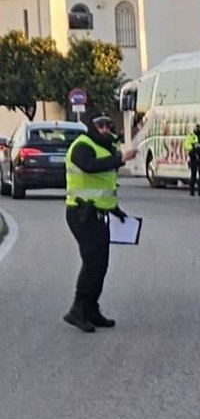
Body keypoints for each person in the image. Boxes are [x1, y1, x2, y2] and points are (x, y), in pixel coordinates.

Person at [63, 114, 139, 332]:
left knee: (101, 265)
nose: (105, 129)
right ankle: (77, 310)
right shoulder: (82, 145)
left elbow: (103, 184)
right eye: (101, 126)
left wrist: (115, 210)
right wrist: (120, 159)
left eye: (108, 125)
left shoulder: (105, 147)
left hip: (98, 213)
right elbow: (90, 167)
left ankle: (91, 309)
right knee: (92, 263)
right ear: (93, 128)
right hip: (81, 213)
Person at [183, 123, 200, 196]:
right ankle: (192, 190)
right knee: (193, 174)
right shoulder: (191, 136)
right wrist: (193, 149)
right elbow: (187, 145)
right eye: (198, 128)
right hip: (194, 156)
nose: (199, 129)